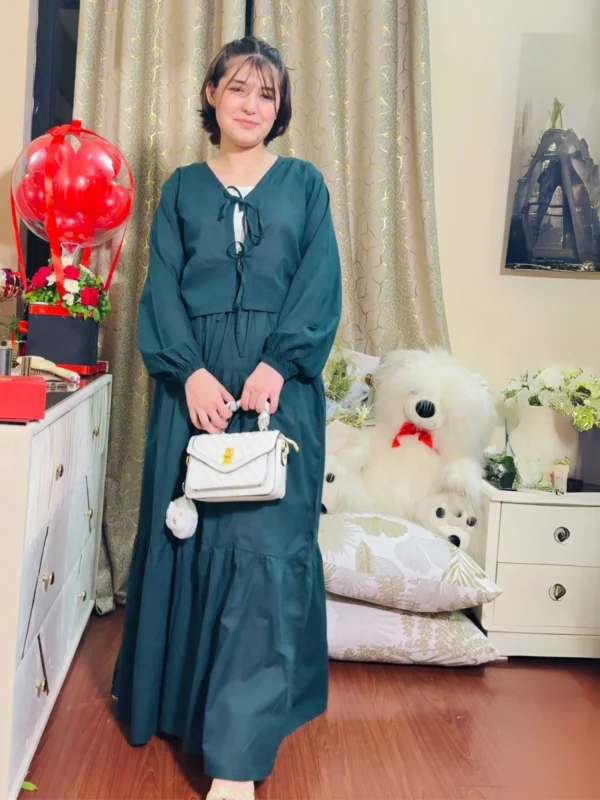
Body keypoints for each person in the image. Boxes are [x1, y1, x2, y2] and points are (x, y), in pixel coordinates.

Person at [112, 36, 342, 800]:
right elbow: (160, 292)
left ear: (281, 108)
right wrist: (190, 372)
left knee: (262, 556)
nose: (252, 104)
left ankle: (236, 758)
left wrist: (279, 362)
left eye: (267, 94)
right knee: (191, 544)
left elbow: (319, 283)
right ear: (211, 93)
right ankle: (186, 711)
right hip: (196, 397)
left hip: (279, 396)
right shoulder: (180, 190)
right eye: (238, 87)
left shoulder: (305, 185)